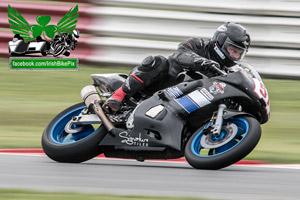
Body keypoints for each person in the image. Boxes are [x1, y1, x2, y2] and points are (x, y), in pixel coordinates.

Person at [103, 22, 251, 113]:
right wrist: (203, 62)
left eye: (239, 53)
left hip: (183, 102)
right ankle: (118, 96)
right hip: (161, 84)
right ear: (221, 41)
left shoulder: (226, 71)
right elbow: (180, 54)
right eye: (233, 50)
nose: (235, 56)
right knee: (158, 62)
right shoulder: (198, 44)